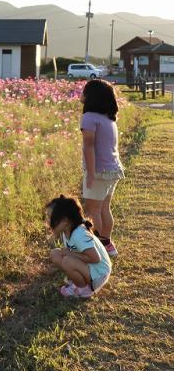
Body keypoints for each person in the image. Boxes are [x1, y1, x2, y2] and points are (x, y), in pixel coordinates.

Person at [79, 79, 124, 257]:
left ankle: (99, 248)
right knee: (105, 208)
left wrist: (91, 173)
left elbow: (89, 146)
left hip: (99, 171)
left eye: (84, 91)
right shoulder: (108, 118)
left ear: (92, 97)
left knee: (93, 211)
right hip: (113, 169)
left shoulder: (89, 117)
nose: (81, 94)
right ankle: (107, 244)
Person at [46, 194, 111, 298]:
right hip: (91, 268)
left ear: (65, 221)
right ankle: (77, 281)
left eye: (50, 217)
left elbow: (95, 258)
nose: (48, 221)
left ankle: (83, 289)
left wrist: (70, 254)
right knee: (55, 254)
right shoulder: (67, 230)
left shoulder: (79, 234)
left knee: (67, 260)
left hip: (99, 274)